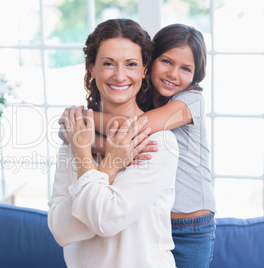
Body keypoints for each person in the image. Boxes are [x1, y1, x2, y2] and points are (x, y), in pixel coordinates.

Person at [48, 18, 179, 267]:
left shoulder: (159, 141)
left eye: (130, 64)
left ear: (144, 69)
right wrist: (109, 164)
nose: (120, 76)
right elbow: (61, 231)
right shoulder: (76, 133)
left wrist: (84, 153)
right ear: (92, 69)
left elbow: (106, 220)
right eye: (108, 64)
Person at [90, 24, 216, 268]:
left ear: (195, 75)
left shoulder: (191, 101)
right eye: (166, 61)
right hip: (153, 224)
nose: (173, 73)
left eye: (185, 68)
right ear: (149, 62)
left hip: (190, 227)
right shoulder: (143, 101)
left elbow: (134, 127)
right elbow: (126, 149)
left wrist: (83, 124)